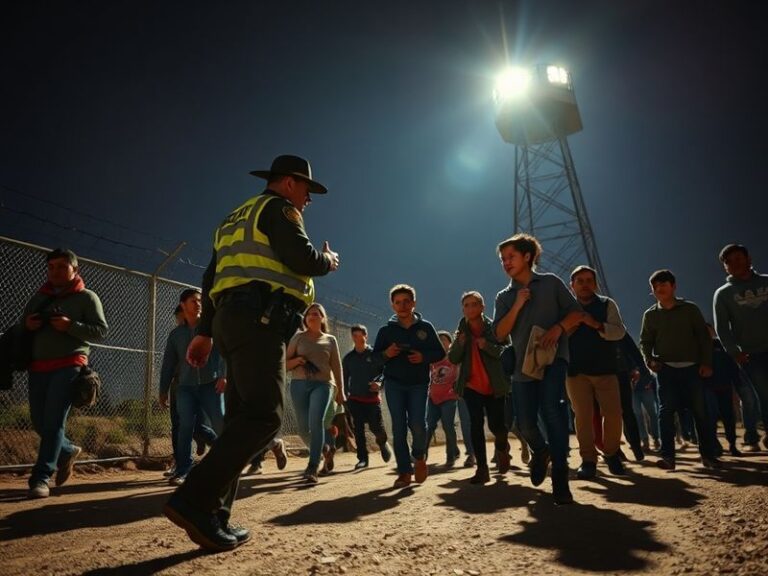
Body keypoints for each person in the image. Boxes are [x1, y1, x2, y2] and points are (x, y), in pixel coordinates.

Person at [164, 155, 339, 552]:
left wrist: (206, 331)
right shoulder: (279, 209)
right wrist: (327, 262)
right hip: (259, 319)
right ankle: (194, 498)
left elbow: (212, 277)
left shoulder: (234, 217)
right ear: (290, 183)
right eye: (307, 190)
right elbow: (301, 259)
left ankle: (214, 516)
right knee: (264, 416)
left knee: (243, 418)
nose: (308, 199)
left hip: (232, 319)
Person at [492, 234, 582, 505]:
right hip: (522, 365)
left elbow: (576, 313)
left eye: (511, 257)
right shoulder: (504, 296)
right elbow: (499, 334)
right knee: (525, 423)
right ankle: (540, 451)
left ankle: (560, 481)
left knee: (552, 410)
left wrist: (559, 328)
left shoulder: (551, 283)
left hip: (554, 359)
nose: (506, 263)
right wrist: (518, 304)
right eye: (502, 259)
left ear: (528, 256)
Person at [22, 248, 108, 498]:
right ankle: (67, 450)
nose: (56, 271)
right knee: (39, 420)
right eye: (51, 267)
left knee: (53, 420)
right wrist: (28, 325)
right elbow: (21, 325)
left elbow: (100, 331)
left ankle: (41, 477)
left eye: (62, 266)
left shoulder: (86, 298)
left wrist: (71, 326)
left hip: (69, 364)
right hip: (38, 366)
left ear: (75, 269)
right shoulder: (39, 298)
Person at [639, 269, 720, 470]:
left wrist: (706, 363)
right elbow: (645, 342)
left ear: (673, 286)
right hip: (666, 371)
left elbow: (703, 338)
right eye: (655, 287)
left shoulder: (689, 309)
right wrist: (649, 360)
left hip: (692, 369)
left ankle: (708, 455)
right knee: (665, 413)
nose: (659, 289)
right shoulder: (650, 315)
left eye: (664, 284)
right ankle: (668, 457)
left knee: (700, 413)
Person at [372, 284, 444, 488]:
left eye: (406, 301)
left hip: (419, 384)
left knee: (418, 424)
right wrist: (387, 354)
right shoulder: (386, 331)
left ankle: (419, 456)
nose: (402, 305)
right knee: (399, 427)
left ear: (414, 303)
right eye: (397, 302)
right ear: (392, 305)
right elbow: (375, 358)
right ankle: (404, 471)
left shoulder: (425, 327)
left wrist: (423, 356)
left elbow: (439, 353)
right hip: (394, 383)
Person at [566, 266, 628, 479]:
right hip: (575, 371)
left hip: (605, 369)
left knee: (613, 414)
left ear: (595, 283)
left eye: (589, 280)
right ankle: (588, 460)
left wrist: (596, 325)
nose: (584, 284)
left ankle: (611, 454)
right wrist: (570, 326)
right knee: (582, 417)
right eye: (580, 280)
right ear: (571, 285)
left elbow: (619, 331)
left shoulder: (607, 304)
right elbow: (554, 335)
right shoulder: (565, 308)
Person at [159, 289, 226, 485]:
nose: (198, 304)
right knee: (184, 426)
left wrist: (223, 375)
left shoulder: (211, 327)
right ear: (182, 305)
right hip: (185, 387)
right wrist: (163, 390)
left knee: (220, 422)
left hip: (210, 385)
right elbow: (169, 364)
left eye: (200, 301)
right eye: (193, 300)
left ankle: (227, 465)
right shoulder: (176, 335)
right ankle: (183, 470)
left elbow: (223, 351)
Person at [448, 291, 511, 484]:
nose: (470, 308)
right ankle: (482, 469)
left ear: (482, 307)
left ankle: (502, 447)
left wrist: (488, 347)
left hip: (494, 386)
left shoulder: (494, 328)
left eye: (474, 304)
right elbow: (452, 358)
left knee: (497, 426)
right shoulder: (461, 332)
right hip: (471, 386)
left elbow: (507, 352)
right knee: (475, 424)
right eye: (466, 305)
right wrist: (459, 344)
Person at [713, 243, 768, 450]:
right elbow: (722, 328)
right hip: (751, 354)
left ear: (749, 259)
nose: (734, 263)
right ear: (725, 267)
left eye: (738, 258)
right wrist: (734, 352)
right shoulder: (724, 294)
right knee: (764, 393)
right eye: (728, 262)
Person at [286, 303, 345, 483]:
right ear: (305, 318)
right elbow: (285, 364)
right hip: (298, 385)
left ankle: (312, 467)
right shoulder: (298, 338)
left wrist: (341, 391)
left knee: (316, 421)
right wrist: (297, 360)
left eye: (316, 314)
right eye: (309, 314)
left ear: (322, 318)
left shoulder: (330, 340)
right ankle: (324, 449)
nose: (312, 316)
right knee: (303, 428)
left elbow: (337, 367)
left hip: (323, 385)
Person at [342, 324, 391, 470]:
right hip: (355, 399)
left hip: (372, 400)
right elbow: (344, 379)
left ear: (366, 336)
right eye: (354, 336)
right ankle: (363, 459)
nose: (357, 339)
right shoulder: (349, 359)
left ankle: (382, 442)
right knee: (358, 431)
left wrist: (379, 383)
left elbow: (384, 373)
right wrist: (344, 396)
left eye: (360, 335)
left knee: (377, 428)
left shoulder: (375, 354)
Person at [426, 331, 461, 468]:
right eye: (439, 340)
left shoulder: (453, 358)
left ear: (450, 343)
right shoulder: (432, 359)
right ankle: (422, 454)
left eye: (444, 340)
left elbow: (459, 375)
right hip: (433, 396)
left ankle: (450, 456)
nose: (441, 342)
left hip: (449, 397)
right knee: (429, 425)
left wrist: (456, 390)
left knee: (448, 425)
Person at [706, 324, 742, 456]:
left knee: (728, 417)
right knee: (711, 419)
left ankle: (732, 445)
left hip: (725, 387)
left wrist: (737, 385)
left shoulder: (721, 345)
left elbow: (732, 365)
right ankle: (715, 445)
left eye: (709, 330)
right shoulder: (699, 347)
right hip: (708, 389)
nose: (708, 333)